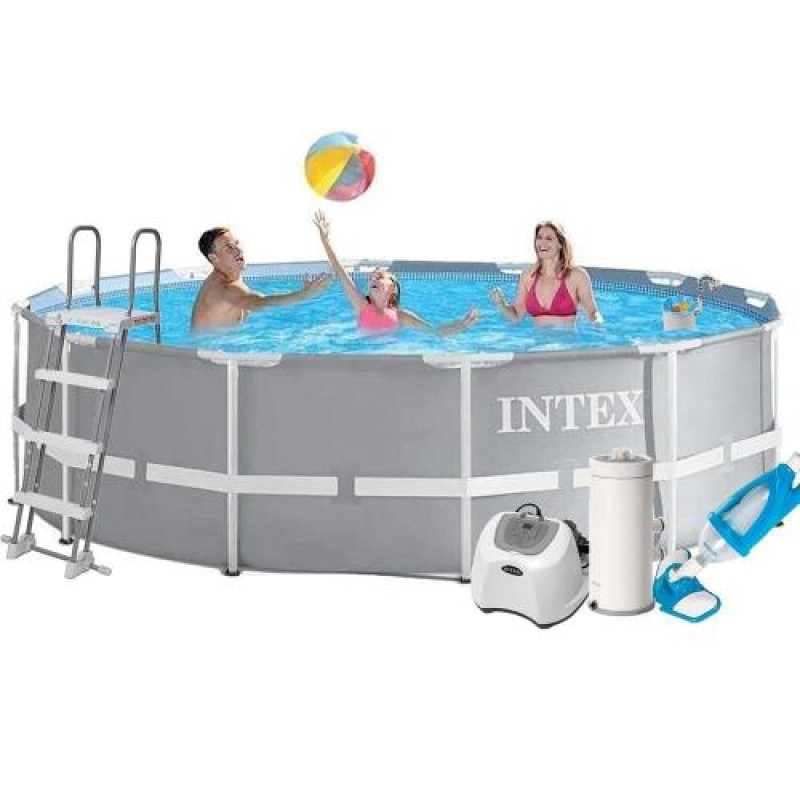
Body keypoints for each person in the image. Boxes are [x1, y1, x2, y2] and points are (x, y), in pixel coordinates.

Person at [312, 211, 478, 335]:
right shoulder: (361, 306)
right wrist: (326, 241)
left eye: (379, 276)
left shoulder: (401, 316)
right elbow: (340, 271)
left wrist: (462, 325)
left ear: (392, 289)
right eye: (372, 278)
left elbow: (435, 332)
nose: (373, 278)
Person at [191, 227, 331, 330]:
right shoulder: (225, 289)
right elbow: (259, 302)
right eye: (229, 248)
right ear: (214, 258)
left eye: (236, 243)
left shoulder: (229, 277)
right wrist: (303, 295)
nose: (238, 250)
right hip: (209, 356)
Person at [490, 221, 602, 326]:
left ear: (560, 244)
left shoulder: (577, 276)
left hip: (566, 339)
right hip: (536, 340)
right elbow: (516, 316)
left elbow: (592, 312)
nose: (542, 243)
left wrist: (598, 323)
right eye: (539, 237)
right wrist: (501, 304)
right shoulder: (527, 276)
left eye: (549, 238)